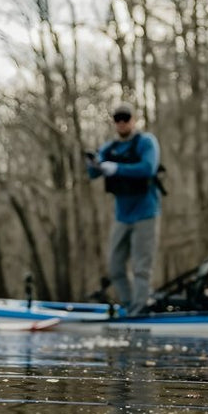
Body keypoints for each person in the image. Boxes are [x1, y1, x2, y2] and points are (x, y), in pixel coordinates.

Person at [86, 103, 161, 315]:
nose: (121, 122)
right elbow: (93, 174)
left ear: (133, 120)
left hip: (146, 212)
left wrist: (117, 168)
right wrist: (93, 164)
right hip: (122, 215)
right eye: (117, 119)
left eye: (125, 118)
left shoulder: (146, 142)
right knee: (116, 267)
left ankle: (140, 310)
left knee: (141, 268)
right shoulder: (109, 148)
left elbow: (148, 168)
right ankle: (129, 306)